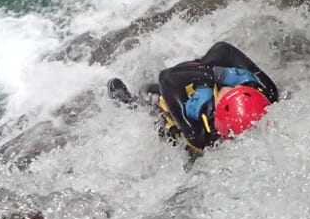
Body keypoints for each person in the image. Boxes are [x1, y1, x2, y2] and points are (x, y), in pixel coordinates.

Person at [108, 41, 279, 155]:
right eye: (234, 88)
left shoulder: (198, 133)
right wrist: (210, 69)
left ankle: (129, 103)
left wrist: (206, 74)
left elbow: (166, 79)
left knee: (152, 98)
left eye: (222, 93)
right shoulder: (268, 93)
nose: (226, 87)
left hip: (181, 123)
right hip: (206, 84)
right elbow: (223, 49)